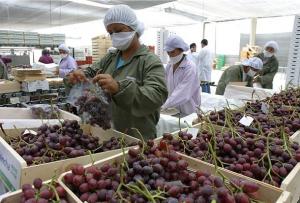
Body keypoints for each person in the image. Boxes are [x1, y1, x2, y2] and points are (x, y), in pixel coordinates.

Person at [66, 5, 168, 139]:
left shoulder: (149, 61)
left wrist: (119, 88)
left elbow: (157, 95)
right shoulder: (111, 58)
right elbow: (90, 72)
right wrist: (76, 76)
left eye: (118, 30)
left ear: (133, 28)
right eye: (110, 32)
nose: (114, 35)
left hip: (137, 138)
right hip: (107, 134)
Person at [162, 35, 200, 116]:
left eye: (172, 52)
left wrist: (165, 104)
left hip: (189, 112)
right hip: (173, 110)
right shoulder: (169, 66)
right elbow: (163, 85)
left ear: (181, 50)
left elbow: (183, 92)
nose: (170, 55)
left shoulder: (190, 68)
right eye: (168, 52)